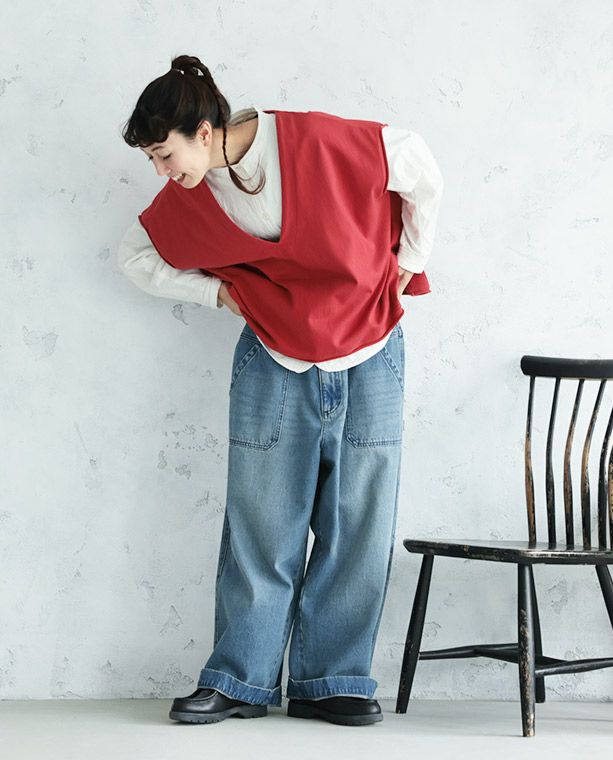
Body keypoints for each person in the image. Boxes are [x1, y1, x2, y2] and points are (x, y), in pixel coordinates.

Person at [118, 54, 443, 726]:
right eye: (151, 159)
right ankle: (240, 681)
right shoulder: (193, 195)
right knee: (261, 523)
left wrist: (407, 263)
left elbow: (417, 162)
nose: (161, 171)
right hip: (273, 354)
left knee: (359, 522)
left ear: (202, 132)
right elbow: (135, 256)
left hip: (371, 346)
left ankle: (335, 682)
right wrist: (216, 294)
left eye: (163, 153)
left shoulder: (316, 141)